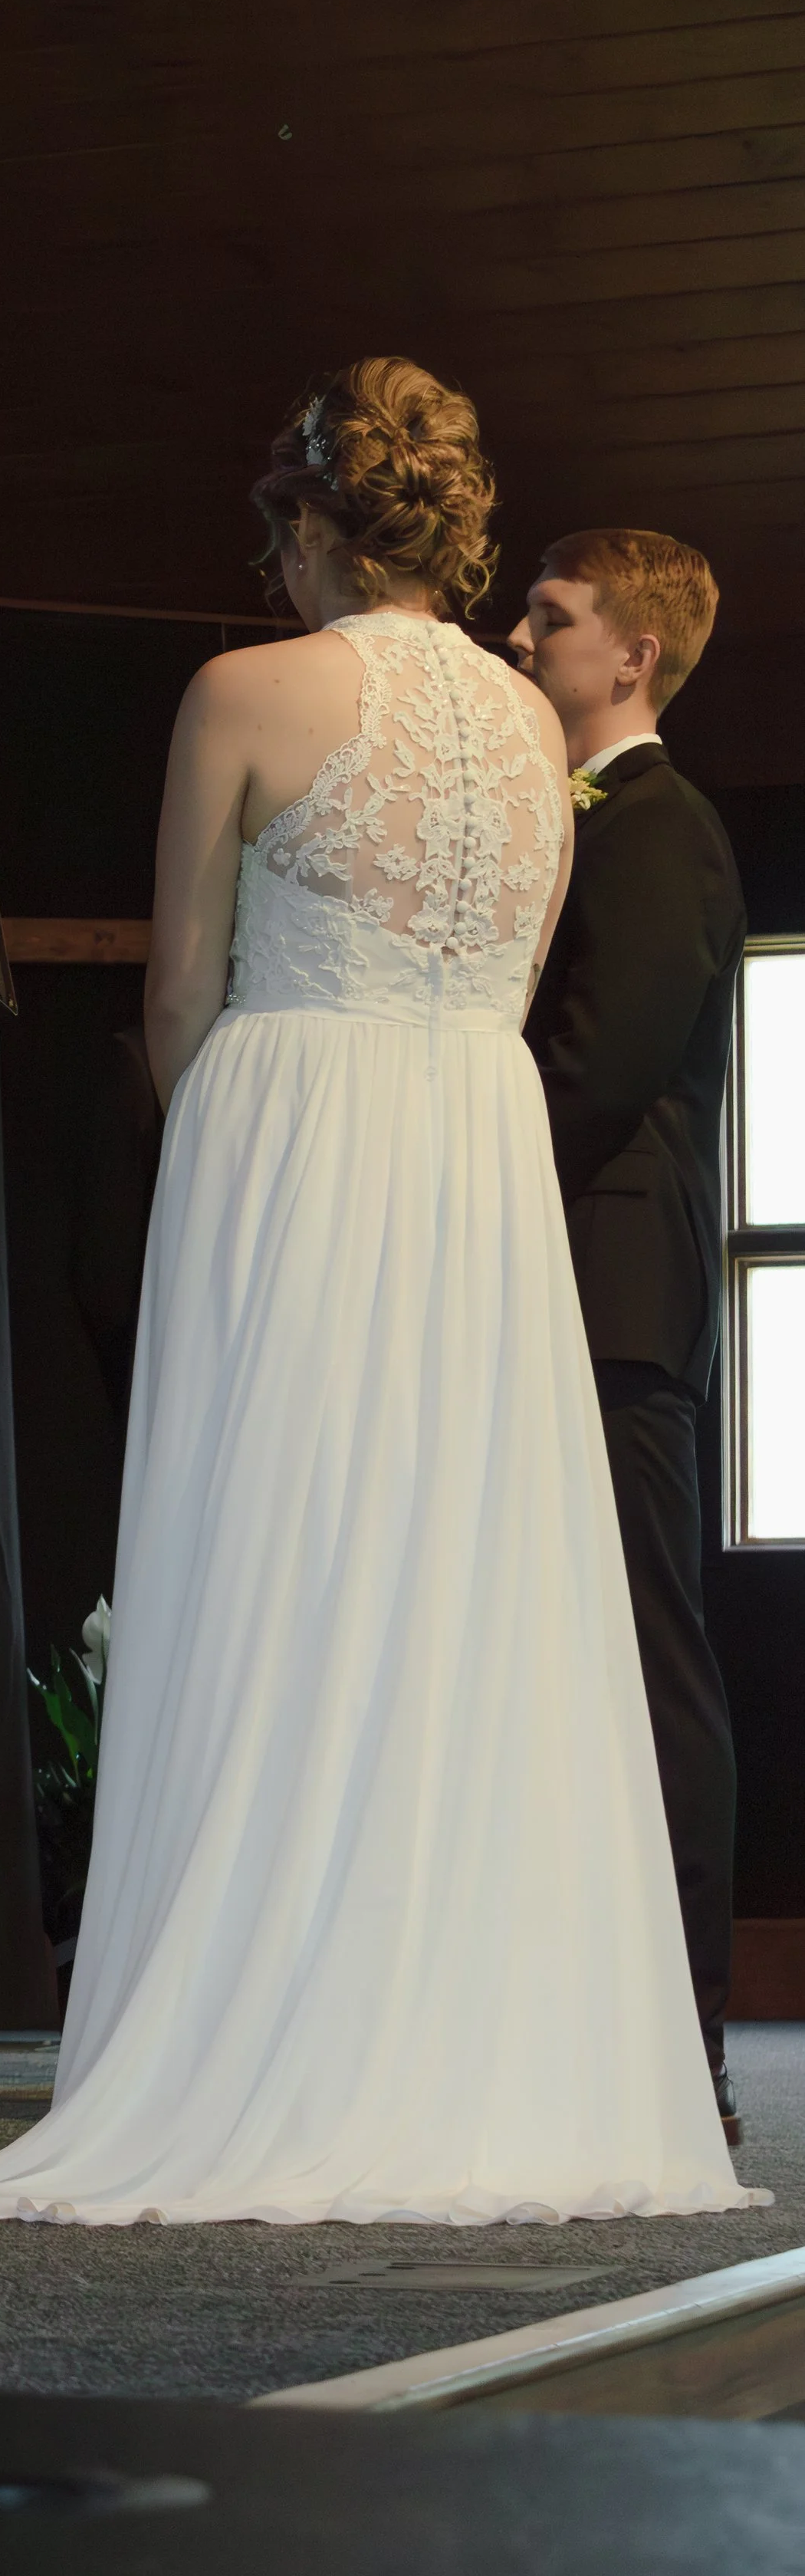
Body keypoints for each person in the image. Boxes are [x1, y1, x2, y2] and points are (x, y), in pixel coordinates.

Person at [0, 359, 764, 2226]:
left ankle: (264, 2028)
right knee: (458, 1590)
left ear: (307, 523)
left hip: (297, 1140)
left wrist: (214, 1177)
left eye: (274, 537)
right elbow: (516, 981)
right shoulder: (531, 727)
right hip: (471, 1162)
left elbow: (179, 988)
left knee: (283, 1555)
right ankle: (465, 2045)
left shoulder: (243, 693)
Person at [511, 535, 746, 2143]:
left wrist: (445, 1176)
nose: (517, 637)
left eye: (550, 617)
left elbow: (597, 1072)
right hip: (556, 1288)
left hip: (608, 1295)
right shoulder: (572, 815)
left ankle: (688, 2045)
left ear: (632, 657)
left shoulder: (658, 826)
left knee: (651, 1661)